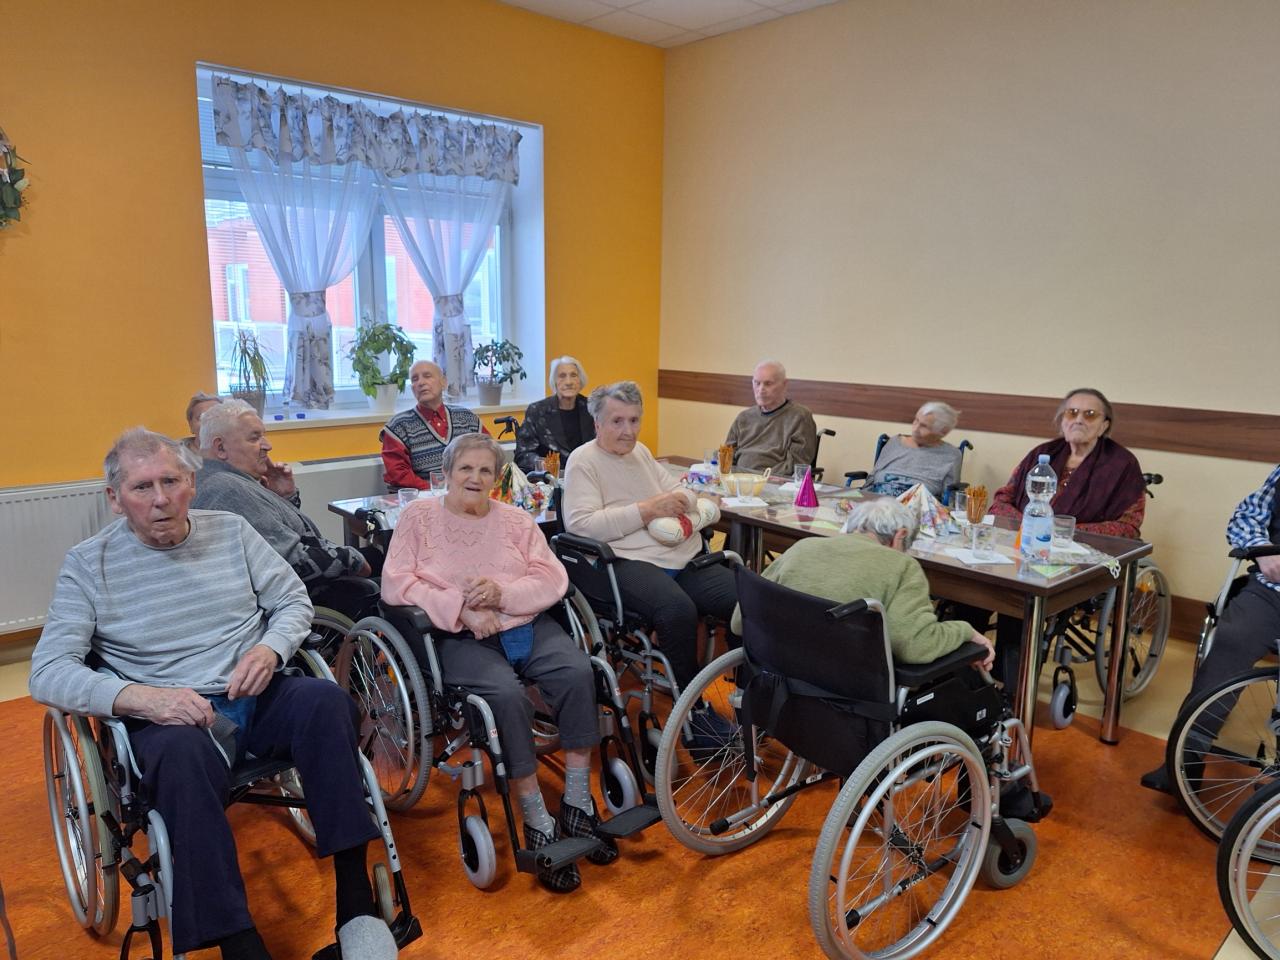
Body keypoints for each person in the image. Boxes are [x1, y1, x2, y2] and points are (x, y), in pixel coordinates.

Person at [28, 429, 397, 960]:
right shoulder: (89, 564)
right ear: (115, 498)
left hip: (255, 691)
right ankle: (239, 944)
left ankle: (356, 906)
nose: (160, 499)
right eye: (141, 487)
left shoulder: (232, 531)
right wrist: (142, 698)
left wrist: (269, 649)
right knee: (180, 760)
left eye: (171, 481)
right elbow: (48, 670)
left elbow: (292, 600)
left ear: (192, 484)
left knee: (327, 703)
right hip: (168, 715)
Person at [381, 432, 612, 893]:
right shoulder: (418, 518)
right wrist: (460, 608)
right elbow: (397, 584)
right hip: (459, 636)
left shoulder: (516, 520)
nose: (475, 477)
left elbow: (552, 577)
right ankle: (537, 819)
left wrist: (502, 594)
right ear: (446, 473)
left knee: (577, 672)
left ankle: (577, 802)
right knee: (506, 696)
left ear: (497, 478)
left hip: (525, 624)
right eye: (465, 468)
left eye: (485, 470)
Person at [563, 381, 739, 742]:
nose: (627, 431)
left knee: (747, 599)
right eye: (617, 421)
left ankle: (748, 698)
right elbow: (581, 525)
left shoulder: (640, 452)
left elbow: (675, 487)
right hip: (624, 560)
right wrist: (646, 510)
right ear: (597, 423)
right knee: (678, 610)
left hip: (679, 555)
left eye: (634, 420)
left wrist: (684, 498)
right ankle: (691, 713)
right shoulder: (583, 460)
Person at [963, 387, 1147, 683]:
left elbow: (1128, 527)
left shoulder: (1122, 465)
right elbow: (1002, 499)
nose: (1079, 419)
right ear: (1062, 420)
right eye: (1072, 412)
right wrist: (1029, 525)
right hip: (1019, 548)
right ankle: (959, 676)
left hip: (1075, 561)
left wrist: (1061, 531)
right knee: (968, 591)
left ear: (1105, 424)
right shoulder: (1042, 456)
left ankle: (1011, 685)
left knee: (1020, 600)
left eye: (1090, 414)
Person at [1141, 464, 1280, 793]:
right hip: (1272, 590)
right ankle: (1186, 758)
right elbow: (1246, 516)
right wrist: (1265, 553)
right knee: (1231, 638)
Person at [730, 499, 994, 667]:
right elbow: (914, 647)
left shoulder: (803, 547)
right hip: (844, 684)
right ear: (900, 535)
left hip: (774, 672)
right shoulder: (901, 565)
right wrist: (965, 631)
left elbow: (740, 621)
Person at [192, 401, 379, 612]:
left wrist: (284, 497)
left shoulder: (214, 477)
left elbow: (279, 535)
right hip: (303, 599)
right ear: (220, 447)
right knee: (390, 568)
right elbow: (291, 561)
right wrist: (352, 559)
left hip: (297, 587)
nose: (267, 445)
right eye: (254, 438)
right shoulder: (225, 489)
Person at [380, 360, 484, 491]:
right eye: (415, 379)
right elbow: (398, 474)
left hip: (468, 492)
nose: (421, 383)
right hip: (422, 497)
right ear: (412, 388)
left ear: (443, 382)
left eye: (427, 376)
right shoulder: (398, 426)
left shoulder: (467, 418)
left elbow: (489, 456)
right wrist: (436, 489)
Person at [723, 360, 817, 475]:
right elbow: (726, 455)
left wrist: (761, 478)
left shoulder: (800, 417)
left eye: (768, 384)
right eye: (757, 383)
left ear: (784, 384)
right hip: (737, 480)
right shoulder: (744, 417)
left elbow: (796, 464)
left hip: (772, 481)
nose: (761, 389)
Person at [865, 401, 964, 499]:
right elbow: (871, 480)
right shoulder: (894, 442)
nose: (915, 429)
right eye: (916, 420)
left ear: (943, 431)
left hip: (917, 504)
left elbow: (950, 497)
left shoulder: (951, 455)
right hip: (875, 499)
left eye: (924, 426)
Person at [513, 355, 595, 473]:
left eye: (573, 375)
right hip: (549, 478)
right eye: (562, 376)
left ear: (580, 380)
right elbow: (523, 454)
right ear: (554, 381)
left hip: (587, 474)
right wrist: (545, 464)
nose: (569, 382)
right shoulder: (537, 411)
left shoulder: (592, 408)